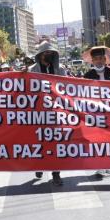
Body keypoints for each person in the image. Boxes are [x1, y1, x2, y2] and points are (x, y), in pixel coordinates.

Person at [83, 47, 110, 179]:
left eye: (101, 58)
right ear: (92, 61)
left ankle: (108, 164)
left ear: (105, 60)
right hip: (95, 114)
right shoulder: (87, 76)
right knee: (97, 140)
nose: (99, 61)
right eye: (96, 59)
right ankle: (100, 166)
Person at [29, 41, 64, 186]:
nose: (48, 55)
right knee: (40, 142)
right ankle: (39, 165)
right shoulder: (32, 70)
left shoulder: (60, 69)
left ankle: (56, 174)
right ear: (40, 55)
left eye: (51, 53)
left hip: (55, 113)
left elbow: (67, 87)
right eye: (46, 53)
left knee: (55, 144)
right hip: (38, 113)